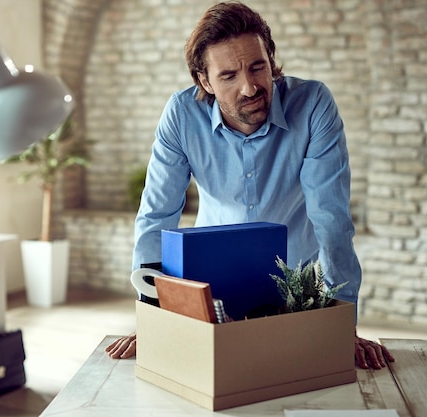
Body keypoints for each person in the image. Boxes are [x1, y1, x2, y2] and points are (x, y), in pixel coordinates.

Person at [106, 1, 394, 370]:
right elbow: (157, 215)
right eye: (228, 76)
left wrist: (342, 324)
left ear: (271, 60)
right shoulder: (181, 115)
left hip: (295, 287)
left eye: (258, 67)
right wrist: (153, 317)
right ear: (204, 80)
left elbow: (331, 219)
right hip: (208, 287)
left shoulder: (313, 104)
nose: (249, 87)